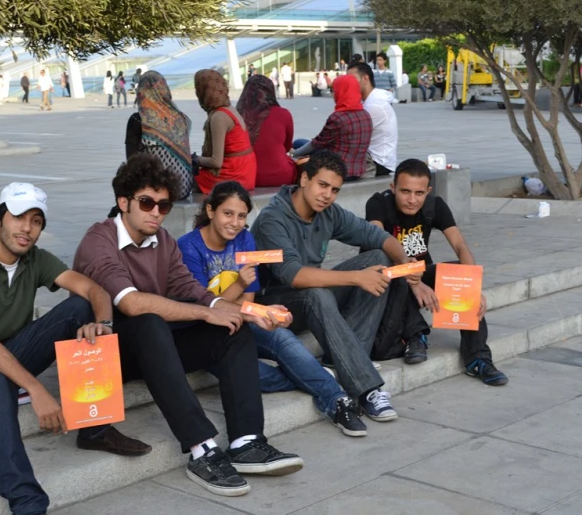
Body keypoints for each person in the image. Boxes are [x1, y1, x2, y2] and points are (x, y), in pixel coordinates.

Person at [72, 154, 304, 497]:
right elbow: (131, 302)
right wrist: (205, 313)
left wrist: (245, 311)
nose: (155, 212)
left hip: (157, 349)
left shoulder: (162, 241)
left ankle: (246, 442)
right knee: (150, 321)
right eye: (146, 202)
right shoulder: (100, 239)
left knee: (232, 326)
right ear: (123, 202)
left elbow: (189, 290)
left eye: (163, 205)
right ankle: (202, 450)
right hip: (109, 354)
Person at [0, 182, 151, 515]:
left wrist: (103, 325)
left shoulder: (35, 259)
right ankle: (26, 499)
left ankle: (94, 428)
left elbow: (93, 289)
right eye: (18, 218)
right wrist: (35, 387)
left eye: (37, 221)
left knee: (79, 309)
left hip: (10, 353)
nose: (27, 228)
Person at [178, 181, 367, 437]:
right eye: (228, 213)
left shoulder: (245, 238)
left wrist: (262, 312)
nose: (234, 222)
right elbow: (208, 305)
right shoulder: (188, 247)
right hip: (209, 331)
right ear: (211, 211)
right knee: (262, 377)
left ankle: (337, 401)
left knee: (282, 337)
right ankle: (311, 374)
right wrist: (240, 285)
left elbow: (249, 297)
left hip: (241, 316)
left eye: (242, 216)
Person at [251, 150, 413, 423]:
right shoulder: (273, 219)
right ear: (304, 180)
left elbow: (376, 235)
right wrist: (356, 277)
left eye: (335, 190)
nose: (327, 195)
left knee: (378, 260)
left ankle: (343, 359)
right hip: (273, 307)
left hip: (311, 297)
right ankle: (367, 388)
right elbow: (294, 275)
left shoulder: (329, 213)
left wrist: (406, 263)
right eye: (322, 185)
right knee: (318, 292)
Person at [365, 159, 508, 385]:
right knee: (399, 273)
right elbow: (379, 241)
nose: (412, 200)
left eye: (419, 193)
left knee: (459, 271)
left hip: (420, 273)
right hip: (384, 278)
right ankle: (415, 336)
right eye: (405, 191)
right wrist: (414, 282)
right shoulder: (377, 204)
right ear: (393, 188)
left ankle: (477, 359)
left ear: (428, 191)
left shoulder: (435, 206)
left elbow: (460, 246)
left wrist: (473, 288)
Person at [125, 70, 193, 200]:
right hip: (182, 188)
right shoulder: (181, 118)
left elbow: (132, 162)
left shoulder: (139, 120)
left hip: (154, 189)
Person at [291, 75, 372, 180]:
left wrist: (292, 154)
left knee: (298, 143)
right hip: (358, 170)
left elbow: (316, 144)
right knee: (302, 143)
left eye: (334, 90)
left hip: (338, 169)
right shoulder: (366, 115)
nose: (333, 94)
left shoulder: (338, 118)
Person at [193, 69, 257, 194]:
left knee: (185, 178)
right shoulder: (229, 109)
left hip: (234, 175)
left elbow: (216, 162)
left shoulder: (219, 117)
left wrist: (194, 159)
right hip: (246, 171)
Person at [236, 75, 297, 187]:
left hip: (247, 176)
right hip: (281, 175)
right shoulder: (283, 113)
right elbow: (287, 147)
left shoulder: (238, 115)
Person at [347, 62, 398, 178]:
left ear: (365, 79)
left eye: (352, 80)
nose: (349, 84)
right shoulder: (370, 101)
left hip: (377, 163)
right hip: (371, 158)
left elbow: (347, 138)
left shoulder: (374, 105)